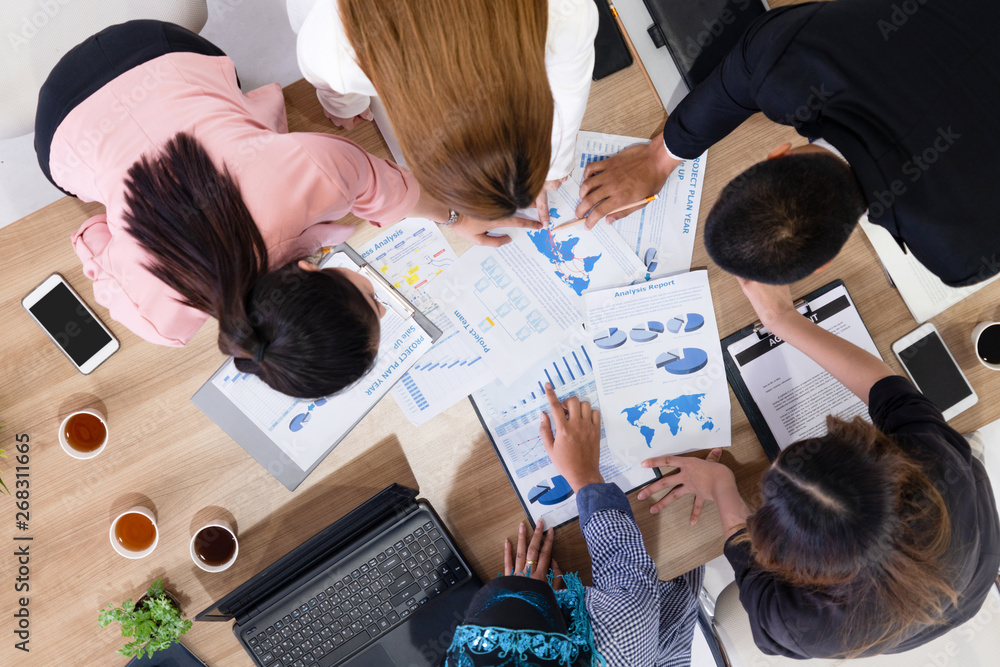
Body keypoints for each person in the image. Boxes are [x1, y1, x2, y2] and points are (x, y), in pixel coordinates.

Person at [35, 20, 451, 398]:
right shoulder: (160, 322)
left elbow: (396, 191)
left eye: (370, 297)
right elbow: (91, 236)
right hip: (59, 115)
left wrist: (456, 215)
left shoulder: (323, 173)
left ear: (310, 271)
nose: (381, 306)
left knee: (224, 98)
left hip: (154, 46)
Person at [637, 279, 1000, 659]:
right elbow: (887, 390)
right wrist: (781, 318)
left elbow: (751, 571)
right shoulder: (938, 464)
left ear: (783, 560)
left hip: (959, 578)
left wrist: (724, 487)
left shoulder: (796, 624)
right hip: (969, 572)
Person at [576, 0, 1000, 287]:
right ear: (774, 155)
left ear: (825, 264)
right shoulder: (790, 62)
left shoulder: (961, 253)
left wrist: (658, 155)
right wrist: (660, 156)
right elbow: (739, 77)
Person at [288, 0, 597, 239]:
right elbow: (326, 73)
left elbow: (570, 83)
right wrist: (345, 103)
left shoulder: (565, 10)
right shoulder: (335, 51)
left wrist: (549, 166)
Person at [443, 385, 703, 666]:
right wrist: (584, 474)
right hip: (665, 604)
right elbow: (622, 559)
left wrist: (523, 597)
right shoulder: (618, 636)